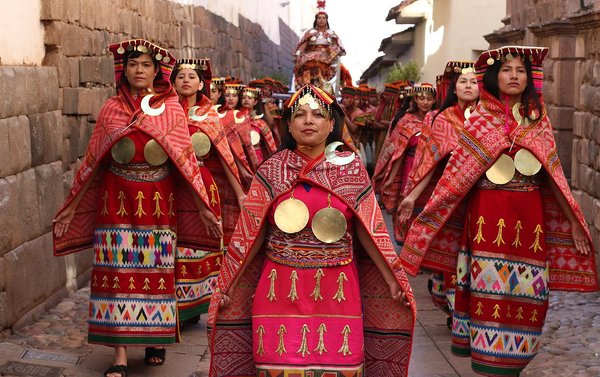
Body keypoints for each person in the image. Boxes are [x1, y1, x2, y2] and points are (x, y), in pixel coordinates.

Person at [402, 46, 598, 376]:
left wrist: (575, 224)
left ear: (529, 78)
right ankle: (487, 360)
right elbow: (455, 176)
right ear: (494, 76)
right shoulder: (479, 120)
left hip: (528, 216)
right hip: (486, 218)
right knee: (486, 288)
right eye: (507, 70)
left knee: (529, 291)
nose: (514, 76)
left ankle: (517, 359)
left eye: (520, 71)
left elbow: (554, 176)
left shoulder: (538, 120)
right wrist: (415, 200)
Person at [207, 84, 416, 377]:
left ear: (332, 124)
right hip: (278, 285)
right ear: (288, 125)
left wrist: (391, 279)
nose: (308, 121)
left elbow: (369, 232)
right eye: (300, 115)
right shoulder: (271, 170)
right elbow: (251, 235)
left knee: (339, 367)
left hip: (338, 288)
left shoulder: (351, 169)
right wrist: (231, 281)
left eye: (318, 115)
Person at [52, 39, 222, 377]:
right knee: (116, 273)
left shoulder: (171, 108)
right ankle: (119, 354)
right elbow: (93, 161)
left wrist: (203, 207)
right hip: (115, 199)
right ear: (124, 71)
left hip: (159, 203)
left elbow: (185, 162)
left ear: (156, 70)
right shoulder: (111, 109)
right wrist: (71, 207)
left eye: (145, 65)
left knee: (156, 271)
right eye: (133, 65)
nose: (139, 70)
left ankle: (154, 339)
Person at [398, 61, 478, 325]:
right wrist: (411, 196)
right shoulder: (443, 119)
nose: (468, 86)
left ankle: (471, 310)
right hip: (449, 198)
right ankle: (455, 309)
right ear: (454, 88)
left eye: (473, 81)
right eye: (463, 82)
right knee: (451, 256)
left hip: (482, 197)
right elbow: (430, 164)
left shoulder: (488, 119)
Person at [172, 58, 246, 325]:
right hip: (174, 186)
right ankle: (175, 304)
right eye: (181, 76)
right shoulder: (166, 113)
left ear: (201, 83)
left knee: (199, 246)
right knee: (175, 244)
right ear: (173, 82)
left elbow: (224, 156)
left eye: (192, 76)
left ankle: (195, 303)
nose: (186, 80)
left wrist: (239, 192)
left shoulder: (209, 115)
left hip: (203, 185)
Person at [380, 83, 436, 242]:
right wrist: (390, 178)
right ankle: (405, 239)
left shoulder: (438, 119)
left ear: (434, 101)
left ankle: (422, 241)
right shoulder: (406, 120)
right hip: (409, 166)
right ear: (415, 99)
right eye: (421, 98)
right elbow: (399, 152)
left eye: (429, 99)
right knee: (406, 201)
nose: (425, 102)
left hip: (429, 168)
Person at [293, 1, 345, 87]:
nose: (321, 20)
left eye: (323, 18)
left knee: (316, 63)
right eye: (319, 18)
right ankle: (307, 85)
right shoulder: (310, 32)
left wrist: (333, 51)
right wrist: (298, 55)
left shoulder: (331, 34)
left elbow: (339, 48)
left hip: (326, 58)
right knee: (307, 61)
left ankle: (320, 85)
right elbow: (301, 48)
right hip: (309, 56)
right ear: (316, 20)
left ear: (326, 20)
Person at [218, 83, 255, 188]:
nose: (230, 99)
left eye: (234, 96)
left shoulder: (243, 117)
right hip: (223, 158)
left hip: (241, 157)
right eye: (227, 95)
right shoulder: (218, 114)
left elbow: (247, 143)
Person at [239, 86, 278, 166]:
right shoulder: (235, 120)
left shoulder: (260, 123)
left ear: (255, 102)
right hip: (241, 159)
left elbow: (271, 146)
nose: (246, 100)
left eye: (250, 98)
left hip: (258, 160)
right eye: (243, 98)